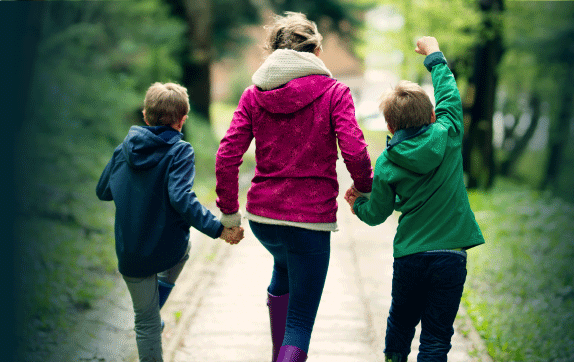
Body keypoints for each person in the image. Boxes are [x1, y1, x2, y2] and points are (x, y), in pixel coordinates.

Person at [215, 12, 373, 362]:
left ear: (272, 51)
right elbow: (355, 150)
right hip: (310, 220)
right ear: (316, 50)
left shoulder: (253, 95)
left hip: (264, 219)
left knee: (284, 268)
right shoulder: (335, 92)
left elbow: (227, 154)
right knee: (300, 322)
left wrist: (229, 214)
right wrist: (364, 188)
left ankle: (278, 355)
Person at [345, 37, 485, 362]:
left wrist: (357, 205)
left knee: (401, 323)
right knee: (437, 337)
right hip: (450, 257)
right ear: (433, 114)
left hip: (410, 257)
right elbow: (449, 93)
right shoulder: (448, 134)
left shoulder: (387, 162)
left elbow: (377, 213)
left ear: (389, 125)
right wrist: (434, 55)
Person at [96, 82, 244, 362]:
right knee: (184, 248)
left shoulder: (123, 149)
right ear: (183, 119)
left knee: (145, 322)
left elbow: (103, 190)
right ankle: (154, 311)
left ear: (144, 114)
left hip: (131, 252)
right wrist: (217, 229)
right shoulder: (180, 151)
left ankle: (151, 313)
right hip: (168, 250)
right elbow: (181, 197)